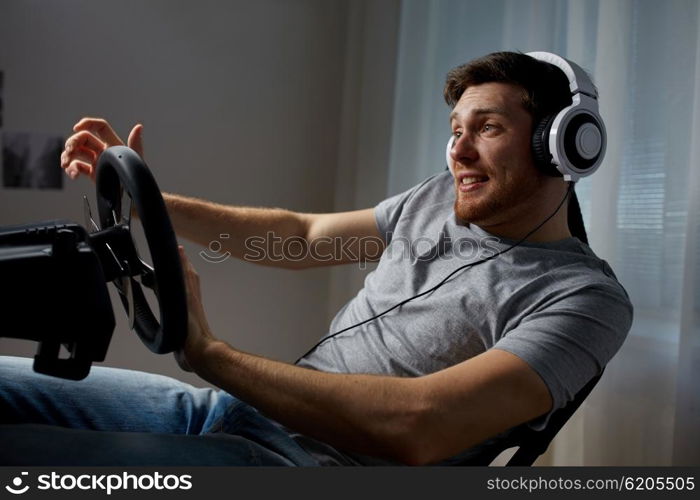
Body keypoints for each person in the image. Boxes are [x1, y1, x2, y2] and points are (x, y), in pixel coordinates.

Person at [0, 51, 632, 466]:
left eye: (487, 128)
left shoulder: (584, 300)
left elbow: (421, 427)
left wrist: (209, 353)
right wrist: (151, 205)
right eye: (454, 129)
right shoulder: (437, 199)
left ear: (562, 146)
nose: (458, 151)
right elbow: (300, 238)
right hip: (233, 415)